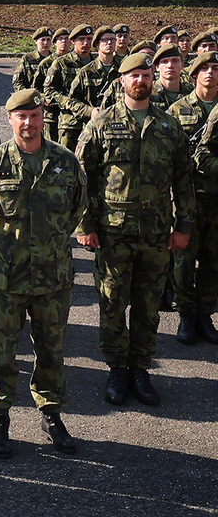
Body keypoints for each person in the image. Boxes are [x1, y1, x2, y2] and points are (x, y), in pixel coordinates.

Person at [0, 89, 87, 459]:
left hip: (52, 278)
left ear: (42, 117)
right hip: (5, 280)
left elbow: (79, 207)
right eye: (20, 116)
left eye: (34, 115)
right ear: (10, 120)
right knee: (1, 351)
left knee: (51, 350)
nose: (28, 122)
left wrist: (53, 243)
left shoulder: (64, 162)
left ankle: (51, 414)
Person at [75, 53, 195, 407]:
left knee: (149, 306)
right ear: (123, 81)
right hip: (113, 233)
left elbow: (183, 181)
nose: (141, 80)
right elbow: (82, 178)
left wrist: (183, 225)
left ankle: (140, 369)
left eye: (145, 74)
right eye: (134, 75)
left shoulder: (168, 125)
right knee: (112, 304)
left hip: (157, 233)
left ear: (152, 79)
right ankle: (116, 369)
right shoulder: (101, 123)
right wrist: (85, 224)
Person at [168, 51, 218, 345]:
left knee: (214, 261)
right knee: (183, 261)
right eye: (204, 68)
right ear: (194, 74)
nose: (210, 73)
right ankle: (186, 314)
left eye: (215, 68)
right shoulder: (178, 110)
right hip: (188, 198)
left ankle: (205, 315)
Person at [44, 24, 95, 150]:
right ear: (73, 41)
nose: (86, 43)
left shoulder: (96, 64)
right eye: (81, 39)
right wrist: (65, 102)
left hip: (92, 123)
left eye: (89, 39)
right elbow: (48, 90)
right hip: (69, 123)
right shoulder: (61, 63)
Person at [13, 27, 52, 92]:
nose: (45, 43)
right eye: (42, 40)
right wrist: (27, 94)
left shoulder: (55, 59)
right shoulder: (28, 58)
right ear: (36, 41)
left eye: (48, 40)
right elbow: (17, 82)